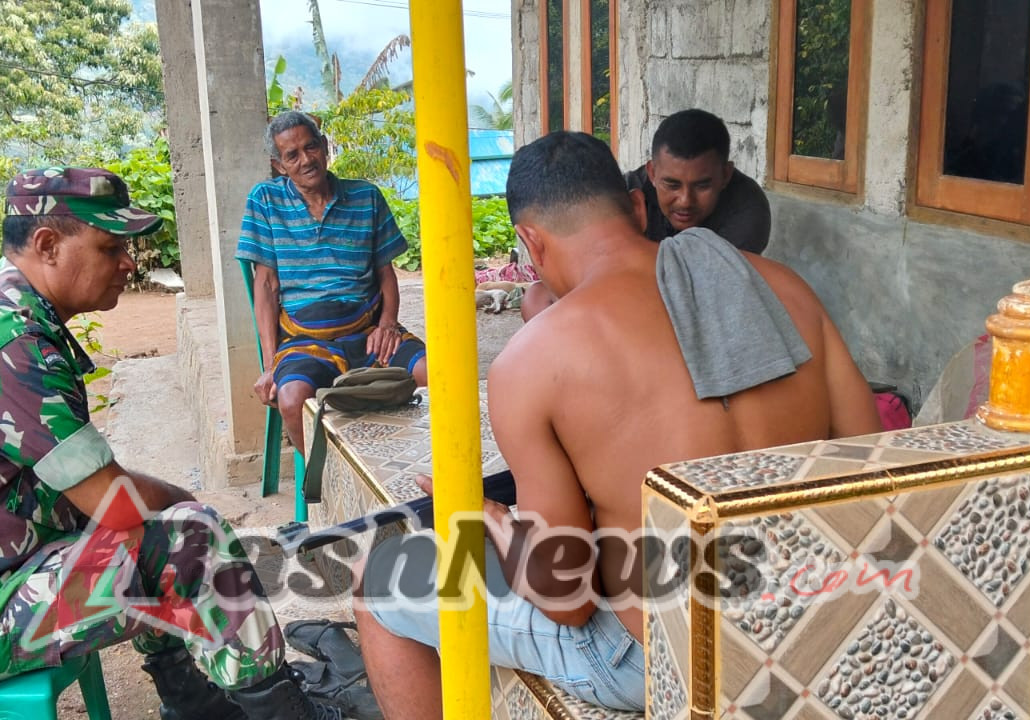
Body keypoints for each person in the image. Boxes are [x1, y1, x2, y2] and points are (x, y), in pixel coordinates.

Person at [353, 132, 881, 716]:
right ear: (637, 206)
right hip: (819, 626)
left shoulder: (530, 363)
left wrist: (495, 521)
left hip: (664, 659)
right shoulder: (787, 288)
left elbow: (568, 599)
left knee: (376, 582)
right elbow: (876, 469)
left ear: (530, 241)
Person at [0, 167, 345, 720]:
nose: (128, 263)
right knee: (190, 540)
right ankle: (282, 714)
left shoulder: (4, 314)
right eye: (110, 247)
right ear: (47, 245)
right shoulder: (8, 343)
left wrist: (169, 506)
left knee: (161, 531)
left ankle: (195, 704)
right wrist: (183, 501)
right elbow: (114, 504)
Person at [239, 111, 428, 449]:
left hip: (368, 331)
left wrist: (387, 324)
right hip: (305, 341)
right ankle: (326, 481)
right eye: (292, 155)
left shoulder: (366, 197)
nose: (306, 160)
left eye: (311, 147)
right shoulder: (265, 200)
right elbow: (266, 286)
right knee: (292, 400)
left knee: (435, 375)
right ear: (279, 165)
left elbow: (386, 273)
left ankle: (422, 465)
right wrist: (270, 365)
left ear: (325, 147)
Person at [521, 108, 772, 320]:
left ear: (725, 175)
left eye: (702, 186)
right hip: (628, 295)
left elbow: (710, 293)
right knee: (537, 299)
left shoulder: (747, 210)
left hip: (706, 309)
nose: (685, 201)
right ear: (651, 173)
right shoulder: (625, 195)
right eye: (671, 185)